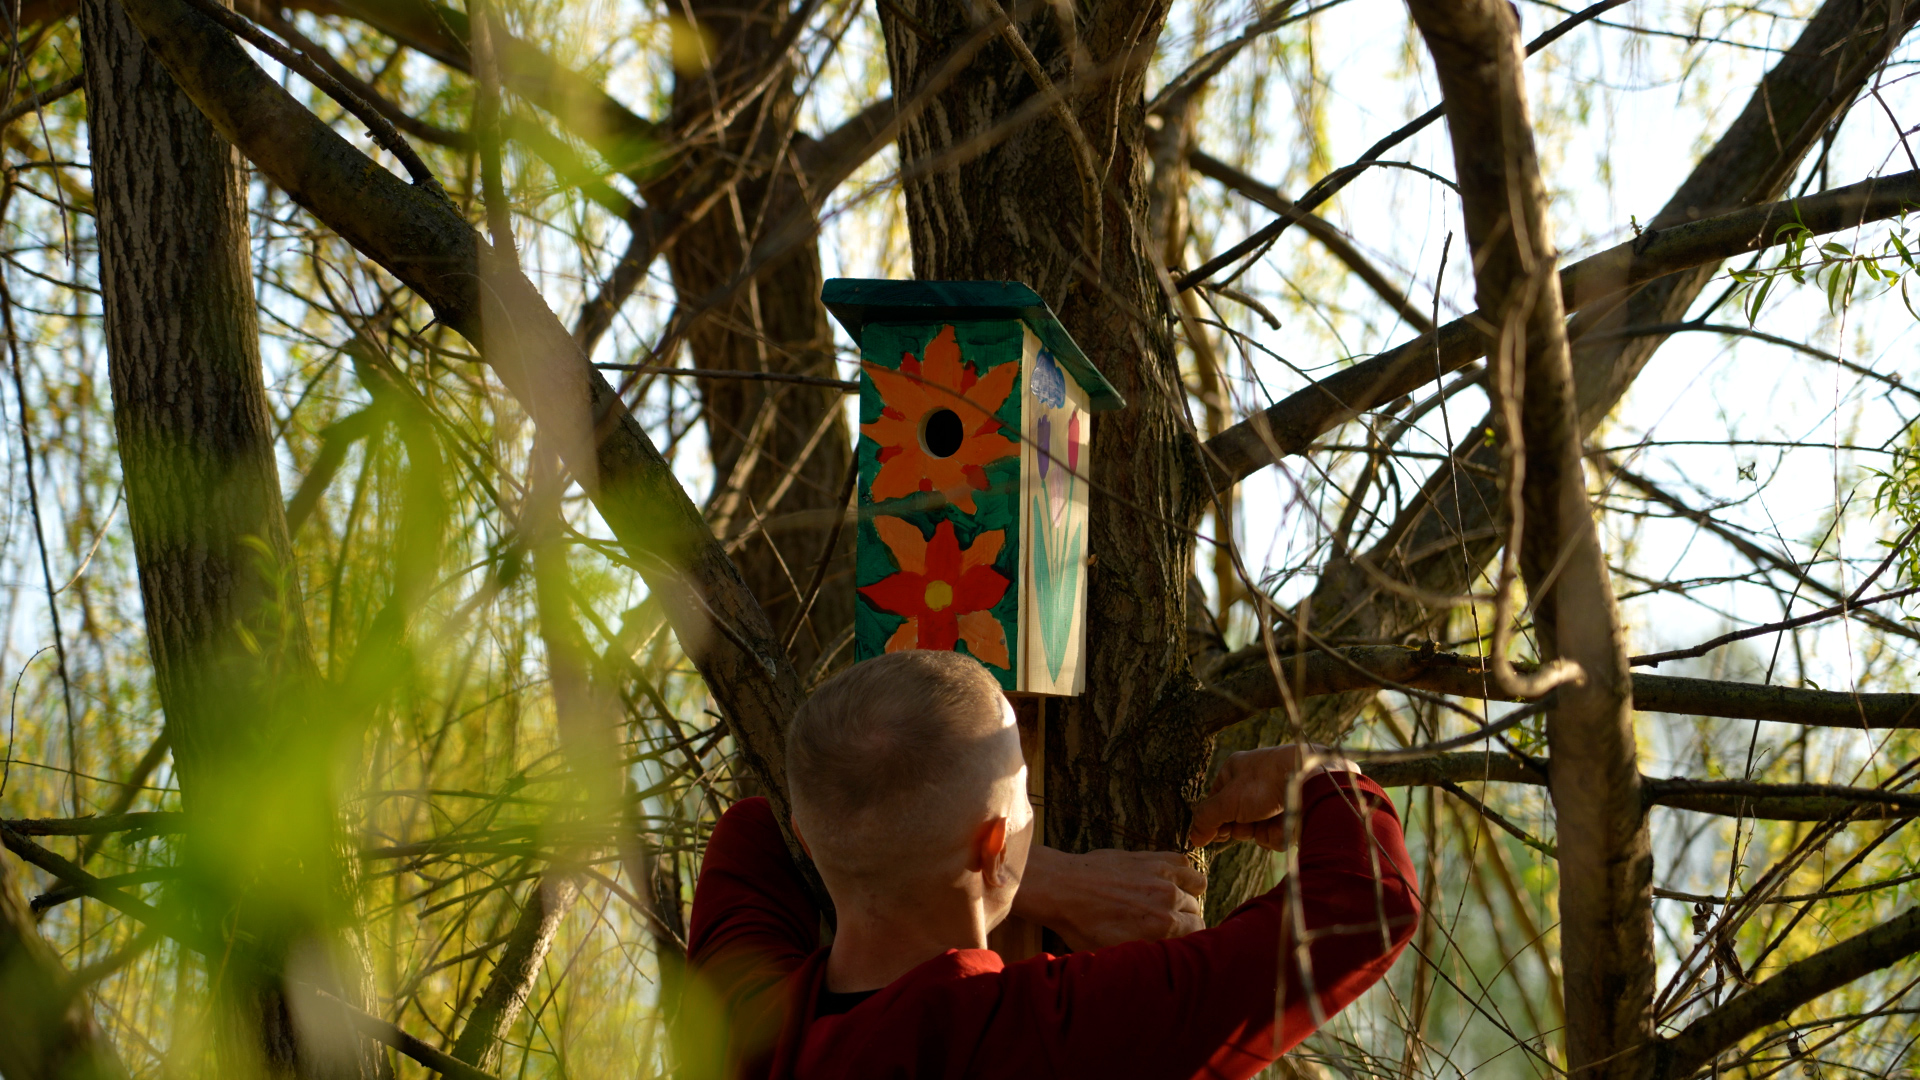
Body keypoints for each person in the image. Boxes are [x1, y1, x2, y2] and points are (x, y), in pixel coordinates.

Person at [687, 651, 1419, 1079]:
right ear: (994, 845)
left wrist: (1005, 870)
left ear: (809, 846)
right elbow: (1367, 906)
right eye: (1027, 794)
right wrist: (1325, 775)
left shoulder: (746, 1024)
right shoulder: (1043, 1037)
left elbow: (751, 826)